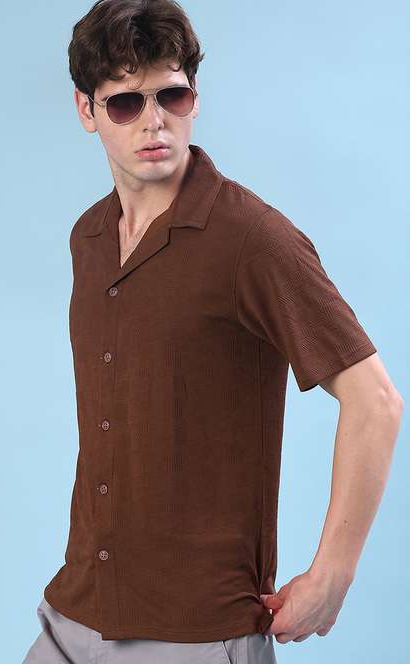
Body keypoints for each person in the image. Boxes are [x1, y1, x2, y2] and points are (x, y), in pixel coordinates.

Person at [22, 1, 404, 662]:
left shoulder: (251, 239)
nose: (154, 121)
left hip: (193, 632)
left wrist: (332, 576)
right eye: (126, 103)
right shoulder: (89, 237)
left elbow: (376, 401)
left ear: (194, 97)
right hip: (77, 609)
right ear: (87, 110)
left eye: (171, 95)